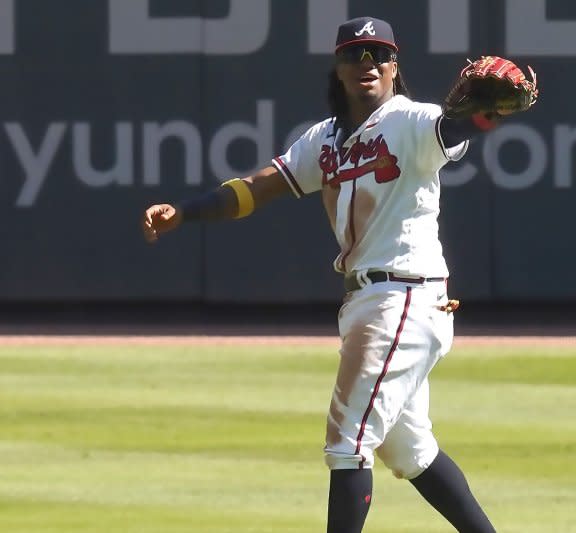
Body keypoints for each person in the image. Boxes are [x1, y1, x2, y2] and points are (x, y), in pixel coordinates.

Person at [142, 16, 536, 533]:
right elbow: (258, 187)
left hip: (402, 298)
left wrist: (485, 114)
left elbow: (457, 126)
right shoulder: (323, 140)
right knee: (410, 450)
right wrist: (185, 211)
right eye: (354, 54)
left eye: (378, 54)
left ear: (395, 66)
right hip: (370, 304)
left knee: (347, 442)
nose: (366, 63)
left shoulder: (413, 121)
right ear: (339, 66)